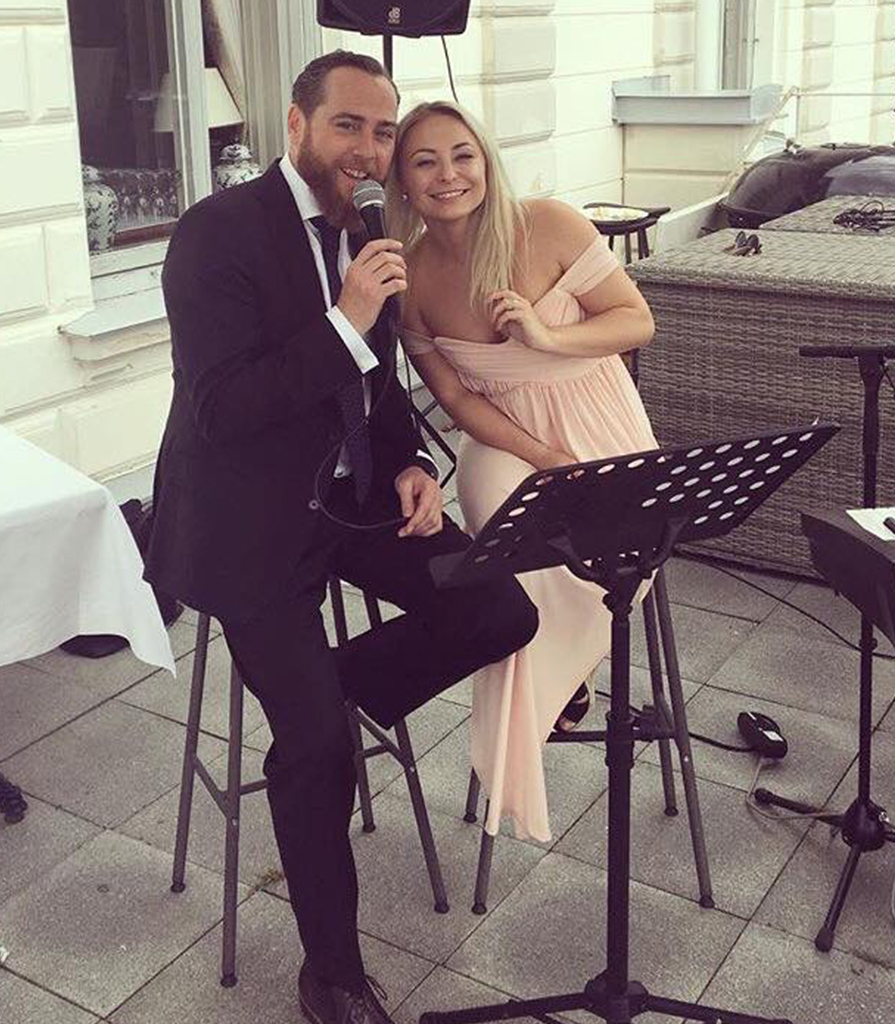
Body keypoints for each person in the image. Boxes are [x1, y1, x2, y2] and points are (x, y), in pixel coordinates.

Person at [144, 55, 538, 1024]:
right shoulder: (216, 233)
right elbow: (220, 408)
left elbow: (374, 382)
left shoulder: (367, 229)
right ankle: (332, 972)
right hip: (247, 524)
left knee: (498, 606)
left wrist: (410, 463)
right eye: (347, 126)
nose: (368, 149)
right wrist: (345, 316)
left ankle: (324, 708)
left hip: (352, 500)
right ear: (296, 124)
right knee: (318, 746)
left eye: (381, 131)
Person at [388, 100, 658, 844]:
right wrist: (545, 459)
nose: (448, 175)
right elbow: (454, 398)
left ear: (486, 160)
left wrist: (546, 334)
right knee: (507, 537)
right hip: (505, 437)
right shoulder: (410, 277)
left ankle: (558, 686)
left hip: (597, 416)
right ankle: (549, 690)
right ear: (403, 181)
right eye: (424, 161)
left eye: (462, 154)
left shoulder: (549, 223)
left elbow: (636, 321)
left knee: (609, 558)